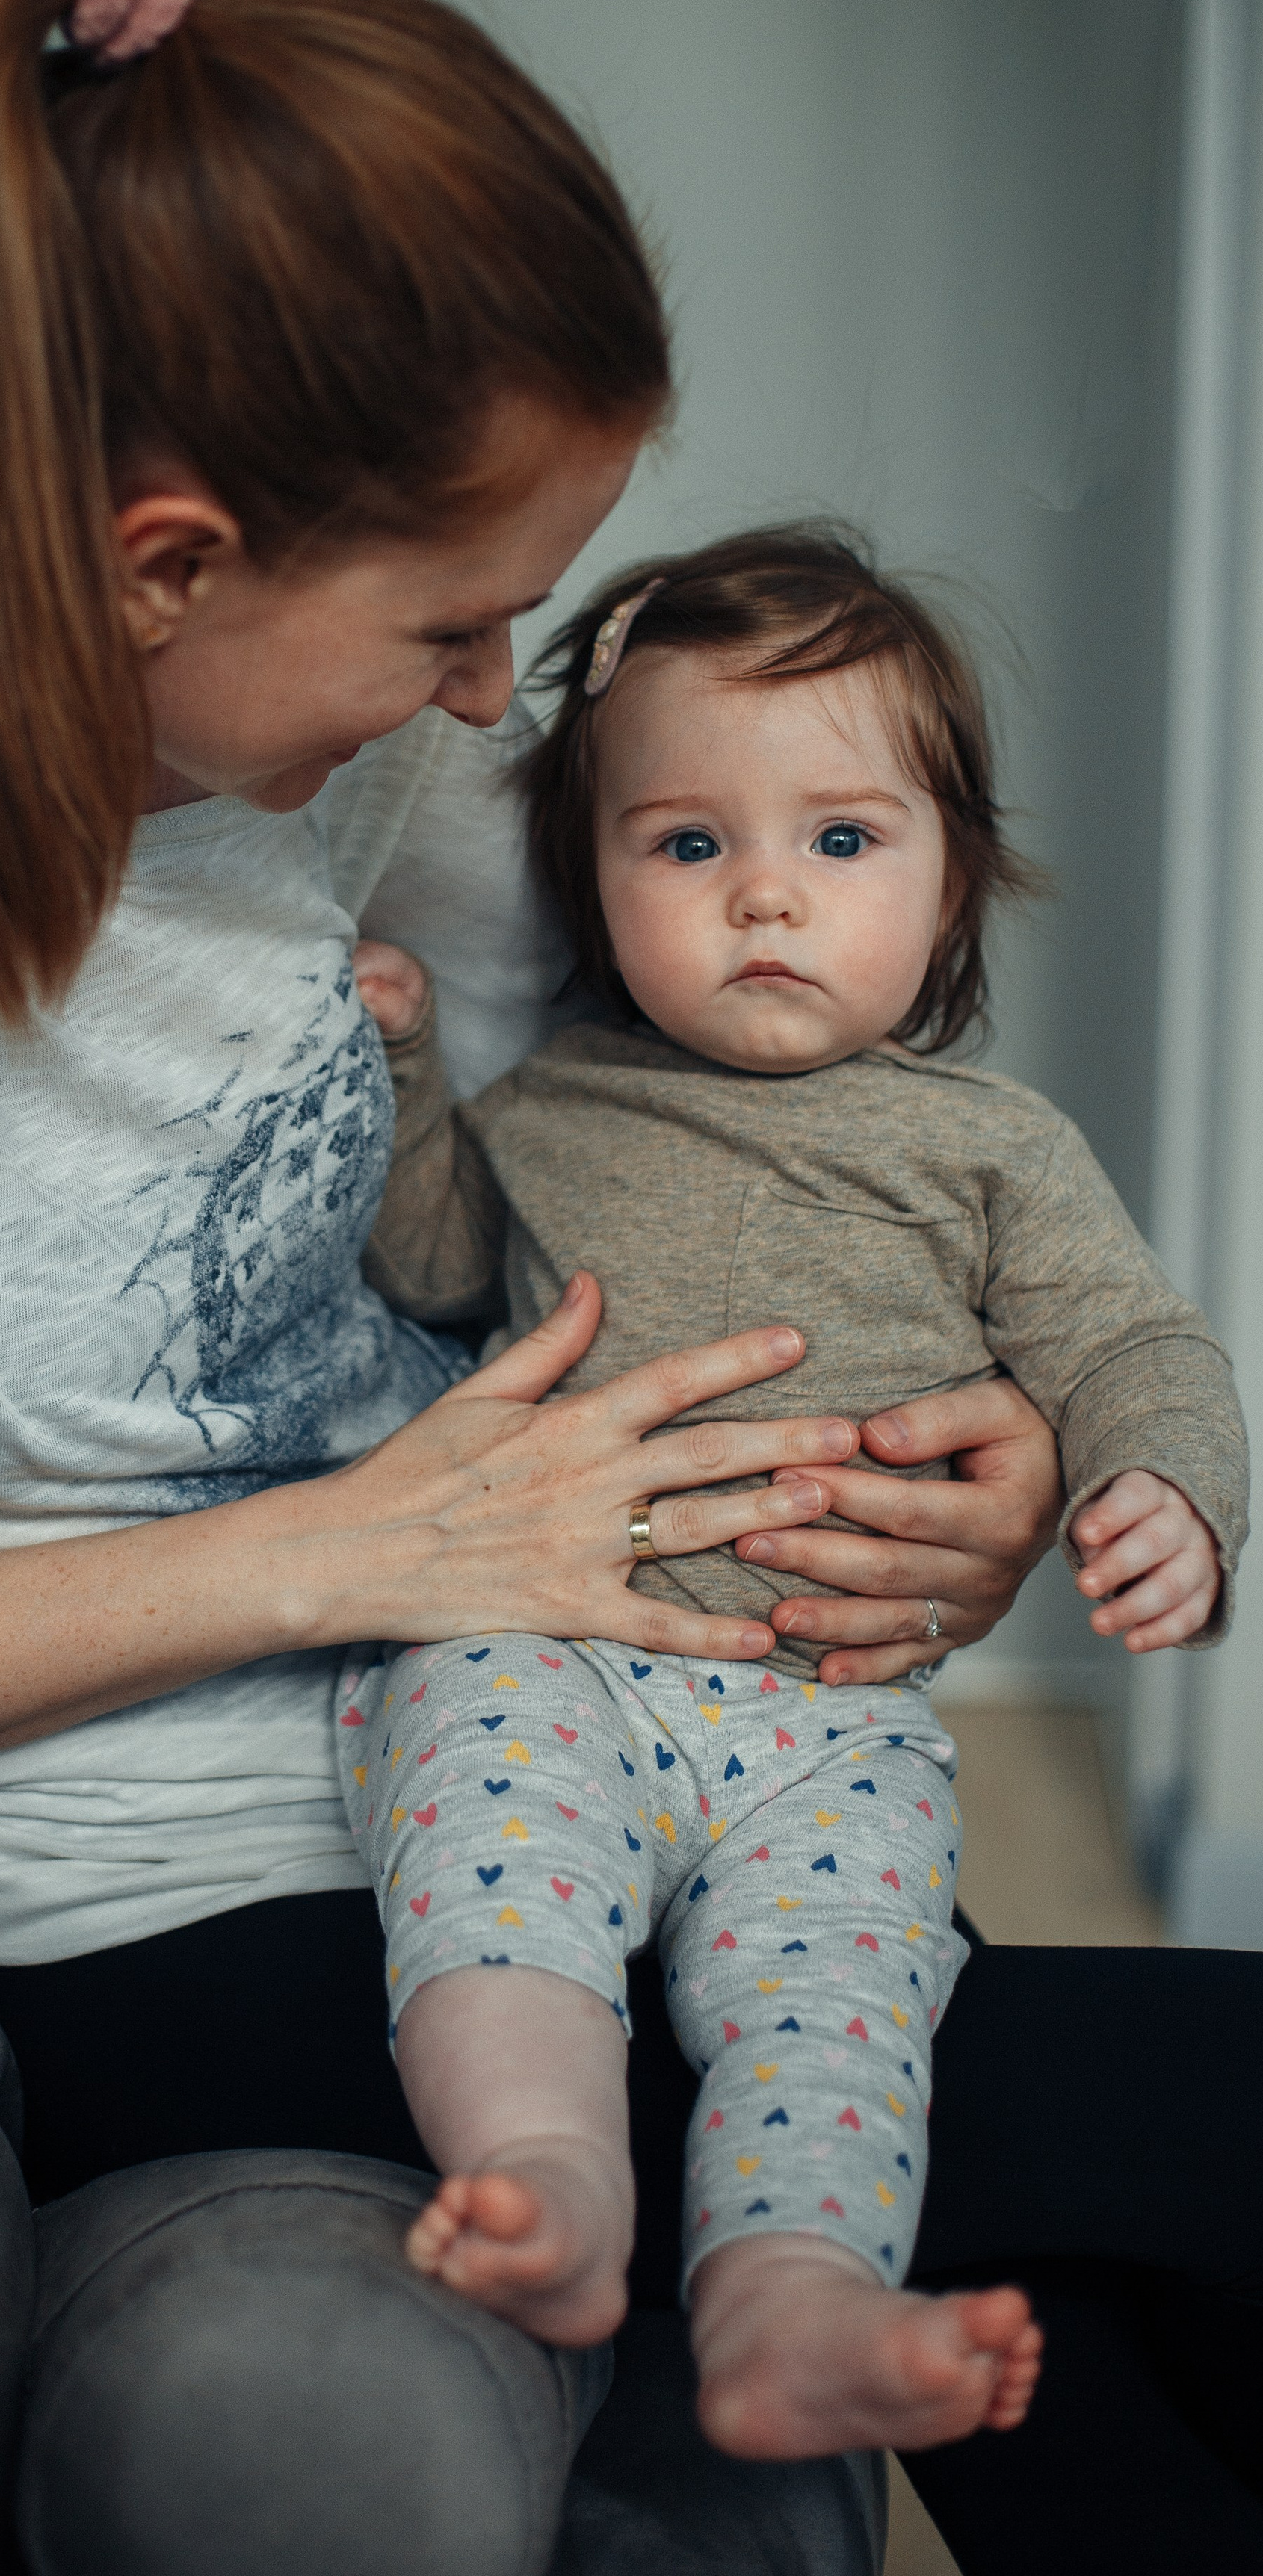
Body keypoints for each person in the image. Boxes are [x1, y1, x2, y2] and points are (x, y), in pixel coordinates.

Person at [0, 0, 1259, 2571]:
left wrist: (968, 1473)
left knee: (1108, 2333)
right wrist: (350, 1552)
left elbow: (689, 1162)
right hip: (166, 1907)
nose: (499, 698)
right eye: (448, 622)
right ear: (160, 563)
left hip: (645, 1726)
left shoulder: (361, 759)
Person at [341, 526, 1247, 2461]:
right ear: (597, 884)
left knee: (840, 1999)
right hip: (557, 1647)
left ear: (950, 878)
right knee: (491, 1886)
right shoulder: (556, 1105)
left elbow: (1133, 1347)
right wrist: (408, 1068)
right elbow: (428, 1263)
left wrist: (1171, 1486)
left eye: (841, 838)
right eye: (688, 843)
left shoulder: (991, 1150)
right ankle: (547, 2173)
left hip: (829, 1718)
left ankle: (791, 2302)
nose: (764, 891)